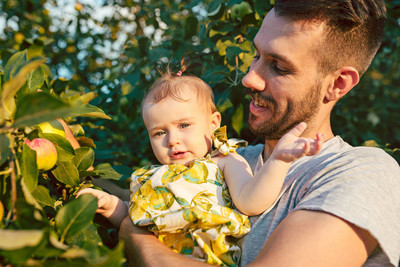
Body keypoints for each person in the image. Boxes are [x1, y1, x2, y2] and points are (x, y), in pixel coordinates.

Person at [117, 0, 400, 266]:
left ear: (337, 84)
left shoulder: (361, 172)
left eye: (278, 66)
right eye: (256, 55)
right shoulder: (223, 159)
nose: (249, 78)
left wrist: (134, 235)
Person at [78, 69, 323, 265]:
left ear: (213, 122)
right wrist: (111, 206)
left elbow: (251, 201)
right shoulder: (151, 177)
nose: (172, 140)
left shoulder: (224, 160)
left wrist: (278, 161)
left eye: (184, 125)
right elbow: (135, 219)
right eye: (160, 132)